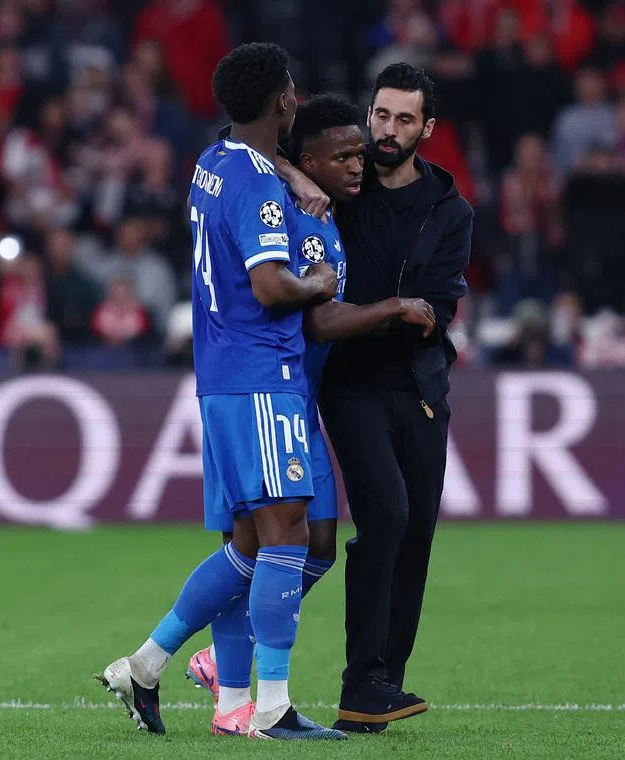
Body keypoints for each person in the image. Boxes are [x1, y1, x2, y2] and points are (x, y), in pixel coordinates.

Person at [96, 42, 347, 741]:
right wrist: (318, 285)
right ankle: (270, 706)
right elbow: (271, 288)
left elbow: (242, 160)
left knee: (246, 543)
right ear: (284, 102)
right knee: (287, 533)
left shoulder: (213, 165)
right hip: (262, 374)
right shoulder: (260, 188)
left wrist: (286, 169)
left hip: (221, 378)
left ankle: (145, 664)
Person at [181, 93, 437, 736]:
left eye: (360, 153)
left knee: (306, 542)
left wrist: (298, 172)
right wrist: (392, 307)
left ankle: (185, 664)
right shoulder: (288, 206)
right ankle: (240, 690)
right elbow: (315, 317)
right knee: (266, 541)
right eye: (344, 156)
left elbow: (241, 138)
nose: (357, 165)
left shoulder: (309, 194)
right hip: (263, 385)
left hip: (286, 393)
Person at [279, 63, 473, 733]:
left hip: (419, 386)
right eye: (380, 115)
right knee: (386, 513)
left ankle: (378, 686)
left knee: (415, 530)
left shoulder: (449, 211)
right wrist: (301, 177)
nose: (385, 131)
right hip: (351, 379)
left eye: (402, 120)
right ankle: (362, 676)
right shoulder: (340, 182)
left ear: (428, 129)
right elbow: (254, 152)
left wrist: (409, 315)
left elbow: (440, 309)